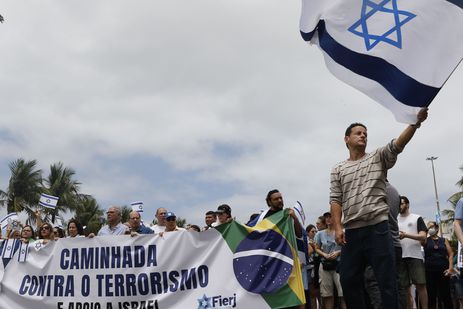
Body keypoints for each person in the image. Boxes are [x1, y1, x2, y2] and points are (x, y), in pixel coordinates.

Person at [329, 107, 428, 309]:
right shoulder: (338, 168)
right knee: (348, 279)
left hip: (377, 228)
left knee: (387, 281)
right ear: (346, 139)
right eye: (358, 133)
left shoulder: (377, 157)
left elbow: (397, 145)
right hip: (352, 232)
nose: (363, 135)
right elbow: (335, 199)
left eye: (365, 133)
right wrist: (338, 227)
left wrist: (415, 123)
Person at [397, 195, 428, 309]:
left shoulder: (416, 218)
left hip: (415, 256)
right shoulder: (394, 219)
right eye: (398, 204)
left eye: (402, 203)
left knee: (420, 285)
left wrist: (405, 235)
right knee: (405, 288)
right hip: (400, 257)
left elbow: (423, 236)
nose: (400, 206)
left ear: (408, 204)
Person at [315, 212, 346, 309]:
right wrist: (324, 254)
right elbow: (316, 248)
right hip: (325, 265)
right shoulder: (320, 234)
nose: (328, 219)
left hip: (339, 264)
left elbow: (348, 246)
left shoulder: (342, 231)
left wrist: (338, 253)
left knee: (343, 293)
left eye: (330, 217)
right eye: (326, 217)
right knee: (327, 295)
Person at [422, 221, 453, 309]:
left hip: (444, 271)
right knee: (431, 296)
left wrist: (450, 268)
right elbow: (421, 241)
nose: (430, 229)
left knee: (446, 295)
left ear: (437, 228)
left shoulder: (444, 240)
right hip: (430, 272)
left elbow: (450, 254)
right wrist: (426, 231)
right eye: (428, 227)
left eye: (432, 227)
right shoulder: (425, 240)